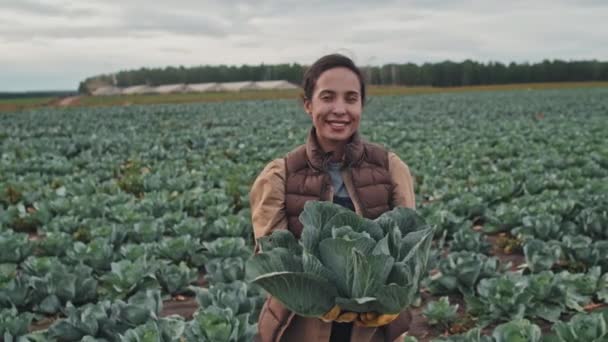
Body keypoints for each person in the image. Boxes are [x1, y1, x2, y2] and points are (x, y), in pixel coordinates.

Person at [249, 53, 416, 342]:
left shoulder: (391, 168)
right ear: (308, 104)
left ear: (361, 105)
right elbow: (274, 260)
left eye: (351, 98)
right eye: (327, 97)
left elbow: (408, 252)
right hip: (301, 328)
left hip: (371, 329)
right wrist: (320, 299)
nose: (339, 109)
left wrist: (392, 302)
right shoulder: (279, 175)